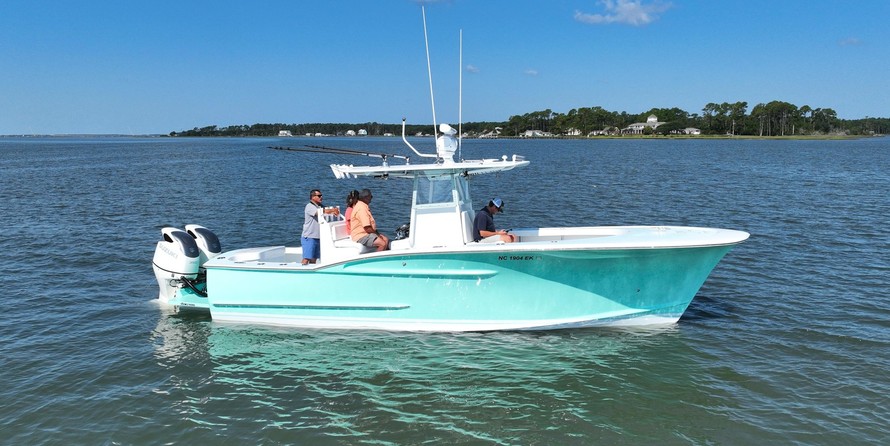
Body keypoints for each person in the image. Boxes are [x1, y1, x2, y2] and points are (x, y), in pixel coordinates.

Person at [301, 189, 339, 264]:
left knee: (314, 259)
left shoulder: (320, 206)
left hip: (317, 237)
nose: (321, 197)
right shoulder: (309, 206)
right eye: (319, 196)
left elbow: (327, 210)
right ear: (313, 197)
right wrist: (332, 210)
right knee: (306, 258)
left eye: (321, 195)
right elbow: (320, 213)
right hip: (309, 237)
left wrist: (334, 211)